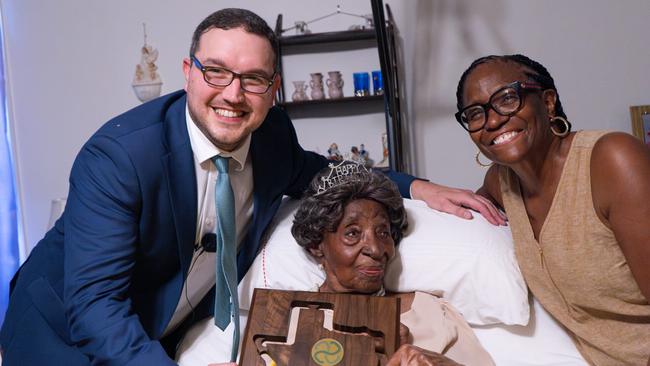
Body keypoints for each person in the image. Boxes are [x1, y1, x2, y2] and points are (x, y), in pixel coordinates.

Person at [0, 8, 503, 366]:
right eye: (215, 72)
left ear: (273, 89)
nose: (233, 95)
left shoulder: (272, 136)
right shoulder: (120, 157)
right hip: (59, 333)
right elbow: (95, 306)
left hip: (158, 330)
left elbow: (322, 173)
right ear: (187, 73)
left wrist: (418, 186)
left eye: (254, 79)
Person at [176, 161, 494, 365]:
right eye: (352, 234)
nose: (375, 248)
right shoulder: (277, 323)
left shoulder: (431, 314)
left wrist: (439, 364)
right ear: (317, 245)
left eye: (384, 232)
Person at [454, 54, 650, 365]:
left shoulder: (612, 161)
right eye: (475, 113)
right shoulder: (500, 184)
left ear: (547, 102)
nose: (492, 121)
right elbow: (460, 221)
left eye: (507, 98)